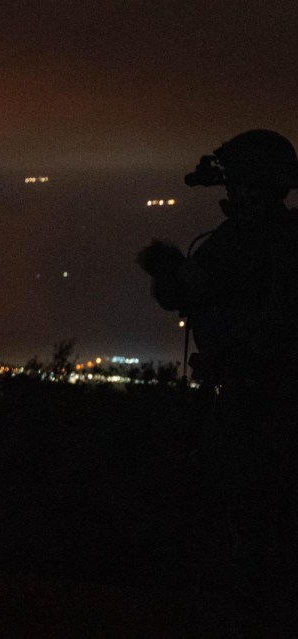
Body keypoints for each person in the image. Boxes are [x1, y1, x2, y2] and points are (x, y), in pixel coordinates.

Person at [138, 130, 298, 633]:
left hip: (255, 396)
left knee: (247, 508)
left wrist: (165, 268)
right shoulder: (281, 236)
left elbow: (185, 293)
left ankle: (251, 608)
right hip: (268, 393)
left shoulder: (243, 240)